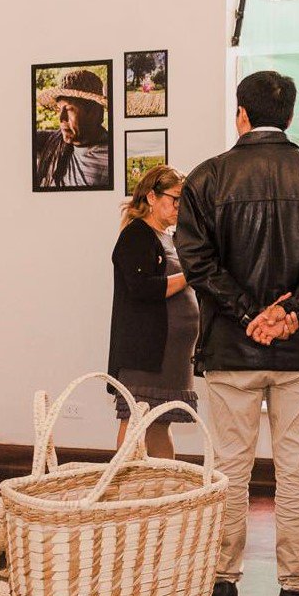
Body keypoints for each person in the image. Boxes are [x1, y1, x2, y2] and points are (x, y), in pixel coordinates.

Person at [176, 70, 299, 596]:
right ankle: (296, 587)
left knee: (228, 471)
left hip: (230, 351)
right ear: (291, 117)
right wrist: (291, 308)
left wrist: (249, 313)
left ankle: (221, 583)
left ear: (241, 114)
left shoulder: (205, 181)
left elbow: (197, 264)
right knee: (296, 471)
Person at [107, 166, 198, 458]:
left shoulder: (168, 237)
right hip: (145, 354)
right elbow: (142, 287)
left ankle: (164, 495)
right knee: (135, 422)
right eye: (175, 199)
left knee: (160, 425)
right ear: (151, 197)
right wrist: (190, 275)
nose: (179, 208)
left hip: (170, 357)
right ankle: (121, 493)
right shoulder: (136, 235)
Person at [34, 68, 111, 188]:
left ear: (95, 113)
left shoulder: (110, 158)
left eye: (69, 109)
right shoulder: (53, 141)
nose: (61, 118)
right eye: (60, 109)